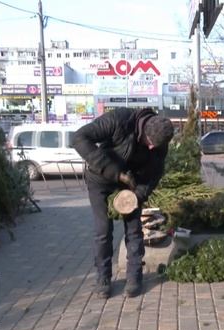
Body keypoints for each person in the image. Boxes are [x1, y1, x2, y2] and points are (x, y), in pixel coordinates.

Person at [73, 107, 174, 299]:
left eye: (155, 146)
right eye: (149, 143)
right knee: (103, 231)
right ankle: (103, 278)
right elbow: (79, 138)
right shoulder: (119, 120)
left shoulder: (160, 142)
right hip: (100, 178)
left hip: (132, 184)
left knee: (134, 230)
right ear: (144, 130)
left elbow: (154, 173)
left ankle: (134, 277)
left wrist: (138, 194)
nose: (151, 148)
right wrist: (114, 172)